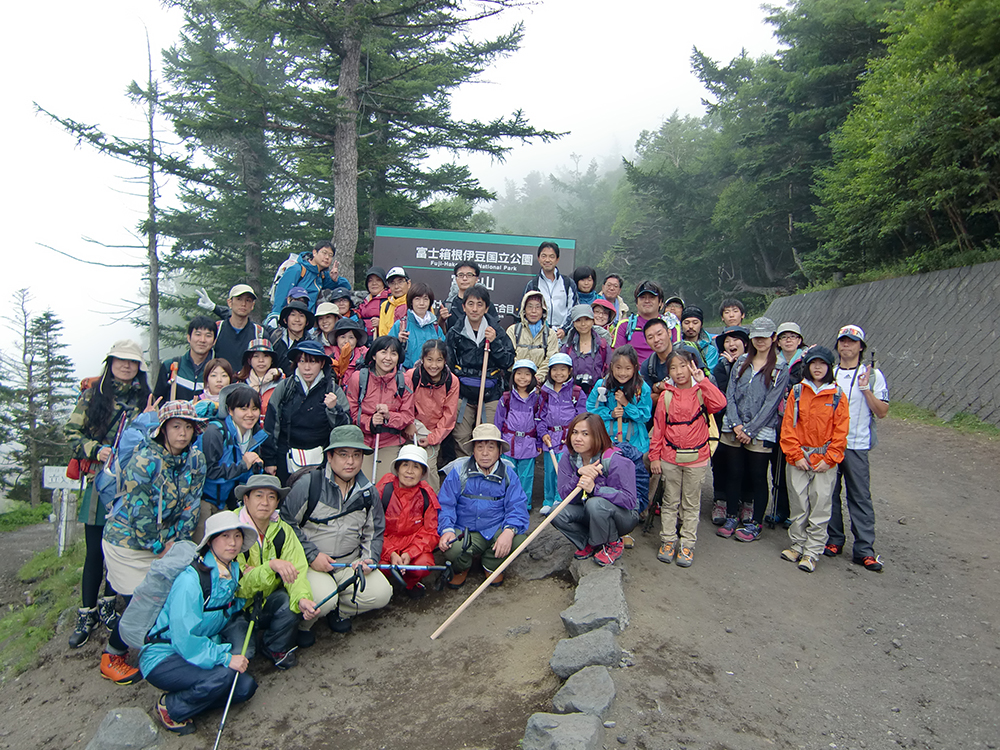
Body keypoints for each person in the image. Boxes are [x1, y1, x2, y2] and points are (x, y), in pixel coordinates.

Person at [101, 400, 207, 684]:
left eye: (188, 427)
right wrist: (161, 548)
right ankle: (112, 655)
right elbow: (140, 514)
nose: (182, 433)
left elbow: (191, 505)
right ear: (162, 429)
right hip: (127, 542)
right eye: (175, 426)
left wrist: (179, 542)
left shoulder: (195, 459)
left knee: (176, 588)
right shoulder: (144, 461)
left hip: (169, 538)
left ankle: (164, 646)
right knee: (146, 597)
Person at [65, 340, 153, 650]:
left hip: (131, 486)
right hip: (99, 480)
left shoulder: (145, 399)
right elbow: (71, 433)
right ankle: (86, 612)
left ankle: (108, 603)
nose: (127, 367)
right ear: (111, 362)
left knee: (120, 548)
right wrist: (95, 450)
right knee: (95, 550)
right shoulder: (93, 395)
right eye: (121, 361)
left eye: (132, 363)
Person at [141, 511, 259, 736]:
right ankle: (172, 707)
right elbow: (183, 637)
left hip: (197, 649)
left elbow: (222, 609)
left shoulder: (232, 570)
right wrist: (224, 657)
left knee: (244, 688)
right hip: (163, 655)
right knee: (224, 676)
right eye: (225, 536)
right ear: (211, 541)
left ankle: (194, 698)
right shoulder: (190, 580)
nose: (232, 543)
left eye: (237, 536)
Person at [280, 425, 393, 634]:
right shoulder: (308, 485)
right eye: (343, 454)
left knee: (382, 593)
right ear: (329, 456)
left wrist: (369, 559)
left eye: (356, 455)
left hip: (349, 562)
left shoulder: (368, 492)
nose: (350, 462)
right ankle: (304, 625)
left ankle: (341, 610)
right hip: (311, 564)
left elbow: (374, 531)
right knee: (322, 600)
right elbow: (286, 524)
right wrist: (312, 555)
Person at [227, 475, 318, 664]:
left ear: (277, 501)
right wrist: (271, 566)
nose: (265, 503)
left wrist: (302, 598)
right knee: (245, 655)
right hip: (236, 607)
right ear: (246, 499)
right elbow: (238, 587)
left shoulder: (283, 530)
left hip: (267, 600)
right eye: (258, 496)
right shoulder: (231, 530)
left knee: (291, 603)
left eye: (271, 497)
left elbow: (297, 571)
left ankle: (274, 647)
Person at [649, 351, 727, 568]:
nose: (679, 372)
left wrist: (704, 382)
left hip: (697, 457)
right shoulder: (666, 396)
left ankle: (687, 544)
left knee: (691, 504)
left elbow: (720, 404)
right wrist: (655, 457)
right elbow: (659, 429)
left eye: (683, 366)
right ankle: (667, 541)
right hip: (670, 457)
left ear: (691, 366)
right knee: (670, 501)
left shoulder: (701, 391)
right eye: (673, 368)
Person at [716, 317, 789, 542]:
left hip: (762, 430)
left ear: (773, 338)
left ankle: (755, 522)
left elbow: (771, 403)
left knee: (758, 476)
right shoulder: (740, 363)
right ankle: (731, 515)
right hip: (733, 426)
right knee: (734, 472)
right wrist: (737, 425)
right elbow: (730, 393)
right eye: (756, 336)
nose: (760, 341)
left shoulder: (780, 367)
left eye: (764, 337)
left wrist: (749, 430)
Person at [779, 346, 849, 573]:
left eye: (823, 364)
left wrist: (830, 459)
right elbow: (788, 425)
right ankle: (797, 545)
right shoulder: (798, 392)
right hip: (799, 457)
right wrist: (795, 454)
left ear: (829, 367)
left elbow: (841, 431)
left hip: (824, 459)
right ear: (807, 366)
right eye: (813, 363)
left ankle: (812, 552)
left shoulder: (837, 395)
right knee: (798, 503)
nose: (818, 368)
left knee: (820, 505)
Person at [825, 325, 889, 572]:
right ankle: (834, 540)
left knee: (859, 496)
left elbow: (882, 412)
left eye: (852, 342)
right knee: (829, 493)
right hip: (830, 444)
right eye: (843, 341)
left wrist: (865, 389)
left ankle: (864, 549)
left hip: (857, 444)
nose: (846, 346)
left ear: (861, 346)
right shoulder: (829, 373)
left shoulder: (873, 375)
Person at [437, 424, 529, 587]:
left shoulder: (509, 474)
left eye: (491, 447)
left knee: (519, 539)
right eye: (480, 447)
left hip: (496, 529)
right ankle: (462, 567)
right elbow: (446, 504)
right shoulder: (459, 472)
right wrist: (447, 530)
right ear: (473, 450)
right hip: (466, 531)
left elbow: (517, 506)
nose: (485, 453)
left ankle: (491, 564)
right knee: (452, 548)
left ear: (499, 450)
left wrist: (508, 531)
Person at [552, 413, 638, 567]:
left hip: (622, 516)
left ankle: (613, 544)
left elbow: (630, 500)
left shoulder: (614, 460)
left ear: (597, 435)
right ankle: (590, 543)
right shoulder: (569, 458)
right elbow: (565, 496)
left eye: (585, 434)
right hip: (589, 510)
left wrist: (595, 489)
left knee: (595, 503)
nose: (578, 438)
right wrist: (578, 475)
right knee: (556, 512)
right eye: (574, 432)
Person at [262, 340, 350, 484]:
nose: (307, 368)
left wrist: (334, 409)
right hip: (286, 454)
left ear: (322, 364)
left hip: (322, 455)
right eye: (302, 361)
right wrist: (270, 460)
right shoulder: (285, 387)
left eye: (313, 362)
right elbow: (272, 424)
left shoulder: (333, 390)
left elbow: (345, 429)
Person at [446, 286, 516, 457]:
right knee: (461, 436)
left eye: (479, 304)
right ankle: (465, 475)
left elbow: (508, 361)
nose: (475, 309)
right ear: (464, 307)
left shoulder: (496, 331)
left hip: (490, 393)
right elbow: (448, 363)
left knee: (488, 437)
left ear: (486, 308)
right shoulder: (455, 332)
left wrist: (494, 343)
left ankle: (486, 474)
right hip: (463, 393)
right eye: (470, 304)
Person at [197, 384, 270, 540]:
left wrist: (256, 469)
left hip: (227, 503)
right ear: (230, 410)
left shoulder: (256, 436)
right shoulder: (214, 432)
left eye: (255, 409)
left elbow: (244, 478)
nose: (250, 414)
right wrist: (243, 465)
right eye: (243, 409)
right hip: (204, 501)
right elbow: (209, 472)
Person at [374, 445, 441, 598]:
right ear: (397, 468)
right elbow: (371, 527)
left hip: (413, 545)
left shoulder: (426, 495)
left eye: (416, 467)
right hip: (384, 543)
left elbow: (431, 532)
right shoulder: (383, 490)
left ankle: (410, 582)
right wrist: (390, 552)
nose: (409, 471)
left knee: (423, 565)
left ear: (423, 472)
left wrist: (410, 553)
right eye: (405, 465)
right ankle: (383, 586)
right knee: (379, 566)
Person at [346, 336, 415, 482]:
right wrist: (369, 421)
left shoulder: (404, 381)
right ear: (374, 354)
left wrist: (389, 416)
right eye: (383, 352)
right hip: (361, 441)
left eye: (394, 353)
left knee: (384, 484)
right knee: (360, 483)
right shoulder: (358, 378)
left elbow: (408, 415)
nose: (388, 358)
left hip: (390, 441)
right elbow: (350, 412)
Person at [710, 325, 750, 525]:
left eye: (736, 340)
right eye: (727, 341)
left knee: (747, 466)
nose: (731, 344)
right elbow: (720, 394)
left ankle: (745, 502)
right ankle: (721, 500)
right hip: (722, 423)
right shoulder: (720, 366)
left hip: (748, 424)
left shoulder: (753, 366)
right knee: (721, 463)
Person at [407, 340, 459, 492]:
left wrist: (432, 438)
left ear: (445, 361)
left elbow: (449, 415)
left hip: (435, 431)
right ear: (422, 359)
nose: (433, 365)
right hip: (412, 427)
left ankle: (432, 505)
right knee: (409, 466)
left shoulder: (452, 381)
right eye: (429, 360)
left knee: (429, 469)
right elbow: (405, 404)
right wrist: (409, 424)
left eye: (439, 360)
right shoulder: (411, 376)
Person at [769, 321, 807, 526]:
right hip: (777, 420)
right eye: (784, 337)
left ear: (800, 340)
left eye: (793, 336)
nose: (789, 340)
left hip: (799, 422)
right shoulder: (773, 361)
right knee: (778, 468)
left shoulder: (808, 361)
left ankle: (797, 513)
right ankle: (780, 509)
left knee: (797, 469)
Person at [538, 353, 585, 516]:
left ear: (570, 371)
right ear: (549, 371)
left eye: (563, 369)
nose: (559, 373)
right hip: (550, 437)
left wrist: (573, 435)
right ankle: (548, 500)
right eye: (555, 370)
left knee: (565, 469)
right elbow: (540, 415)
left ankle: (561, 500)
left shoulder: (576, 392)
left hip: (567, 438)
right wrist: (543, 433)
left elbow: (582, 416)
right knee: (549, 470)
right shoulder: (544, 391)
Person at [587, 345, 653, 453]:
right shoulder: (603, 385)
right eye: (618, 368)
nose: (622, 373)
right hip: (608, 439)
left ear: (635, 368)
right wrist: (611, 413)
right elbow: (591, 409)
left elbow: (645, 416)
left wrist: (626, 404)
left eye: (628, 368)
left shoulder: (641, 388)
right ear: (612, 366)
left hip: (635, 442)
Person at [494, 360, 542, 509]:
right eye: (519, 373)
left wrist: (539, 442)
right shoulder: (506, 398)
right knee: (507, 474)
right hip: (509, 442)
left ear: (533, 377)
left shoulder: (537, 399)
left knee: (526, 476)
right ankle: (507, 501)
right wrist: (497, 443)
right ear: (513, 375)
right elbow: (498, 421)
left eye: (527, 374)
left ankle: (524, 503)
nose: (523, 377)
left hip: (528, 442)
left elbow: (540, 421)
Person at [267, 241, 351, 323]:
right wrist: (276, 315)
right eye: (324, 253)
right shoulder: (297, 269)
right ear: (314, 252)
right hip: (292, 320)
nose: (327, 257)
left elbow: (346, 287)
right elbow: (282, 293)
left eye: (330, 255)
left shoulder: (321, 276)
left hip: (308, 321)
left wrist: (335, 280)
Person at [613, 280, 680, 363]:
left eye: (652, 297)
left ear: (660, 303)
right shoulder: (625, 325)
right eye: (642, 297)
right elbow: (616, 358)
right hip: (634, 375)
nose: (647, 301)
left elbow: (678, 355)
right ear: (636, 303)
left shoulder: (671, 325)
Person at [153, 317, 216, 403]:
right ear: (189, 338)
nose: (202, 340)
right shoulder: (170, 366)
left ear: (214, 341)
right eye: (198, 334)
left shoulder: (218, 370)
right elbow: (158, 401)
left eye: (208, 336)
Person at [522, 241, 578, 337]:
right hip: (539, 336)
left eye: (551, 256)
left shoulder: (567, 283)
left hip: (564, 337)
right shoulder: (533, 285)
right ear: (539, 259)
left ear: (557, 259)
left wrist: (564, 329)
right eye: (544, 256)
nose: (547, 260)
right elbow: (525, 310)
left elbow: (574, 309)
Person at [507, 290, 560, 384]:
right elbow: (508, 357)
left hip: (541, 383)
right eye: (530, 307)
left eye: (538, 307)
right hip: (516, 381)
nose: (533, 311)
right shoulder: (513, 330)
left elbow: (551, 359)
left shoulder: (550, 334)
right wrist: (522, 376)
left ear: (543, 310)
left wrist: (537, 378)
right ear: (524, 309)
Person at [389, 282, 445, 369]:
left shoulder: (435, 327)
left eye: (425, 299)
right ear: (411, 302)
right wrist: (398, 342)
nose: (421, 303)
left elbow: (444, 352)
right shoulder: (401, 324)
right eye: (417, 299)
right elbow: (387, 351)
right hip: (407, 375)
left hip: (431, 375)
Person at [440, 260, 501, 333]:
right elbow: (441, 334)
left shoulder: (485, 304)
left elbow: (495, 331)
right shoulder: (447, 305)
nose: (464, 278)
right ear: (456, 279)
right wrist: (442, 320)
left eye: (469, 275)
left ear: (476, 279)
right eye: (461, 275)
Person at [214, 285, 265, 371]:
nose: (243, 304)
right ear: (230, 302)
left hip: (248, 383)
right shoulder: (217, 329)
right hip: (220, 382)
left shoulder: (259, 333)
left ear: (252, 305)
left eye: (248, 300)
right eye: (239, 299)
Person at [562, 304, 610, 395]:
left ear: (593, 321)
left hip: (597, 396)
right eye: (578, 320)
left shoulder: (603, 346)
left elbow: (609, 371)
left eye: (587, 319)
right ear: (573, 323)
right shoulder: (567, 347)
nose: (583, 324)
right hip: (571, 395)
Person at [235, 338, 282, 422]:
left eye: (266, 356)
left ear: (272, 360)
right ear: (249, 360)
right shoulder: (241, 384)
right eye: (256, 356)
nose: (261, 360)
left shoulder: (282, 383)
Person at [271, 300, 316, 377]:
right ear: (285, 320)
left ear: (307, 322)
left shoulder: (312, 345)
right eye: (293, 315)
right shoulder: (275, 340)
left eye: (301, 316)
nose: (297, 319)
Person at [330, 317, 369, 389]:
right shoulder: (331, 361)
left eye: (351, 337)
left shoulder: (364, 360)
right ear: (336, 339)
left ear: (356, 340)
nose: (346, 341)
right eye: (342, 337)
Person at [680, 306, 719, 371]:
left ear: (701, 325)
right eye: (686, 323)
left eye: (695, 323)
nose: (691, 326)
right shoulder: (676, 345)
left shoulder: (709, 350)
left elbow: (710, 373)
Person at [358, 266, 389, 340]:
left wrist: (381, 323)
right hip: (365, 340)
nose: (374, 283)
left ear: (383, 283)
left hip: (381, 339)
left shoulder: (389, 300)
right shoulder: (364, 301)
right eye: (370, 281)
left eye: (378, 280)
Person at [378, 266, 410, 336]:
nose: (396, 286)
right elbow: (382, 333)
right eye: (392, 283)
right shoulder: (385, 305)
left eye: (400, 282)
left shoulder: (416, 303)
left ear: (409, 283)